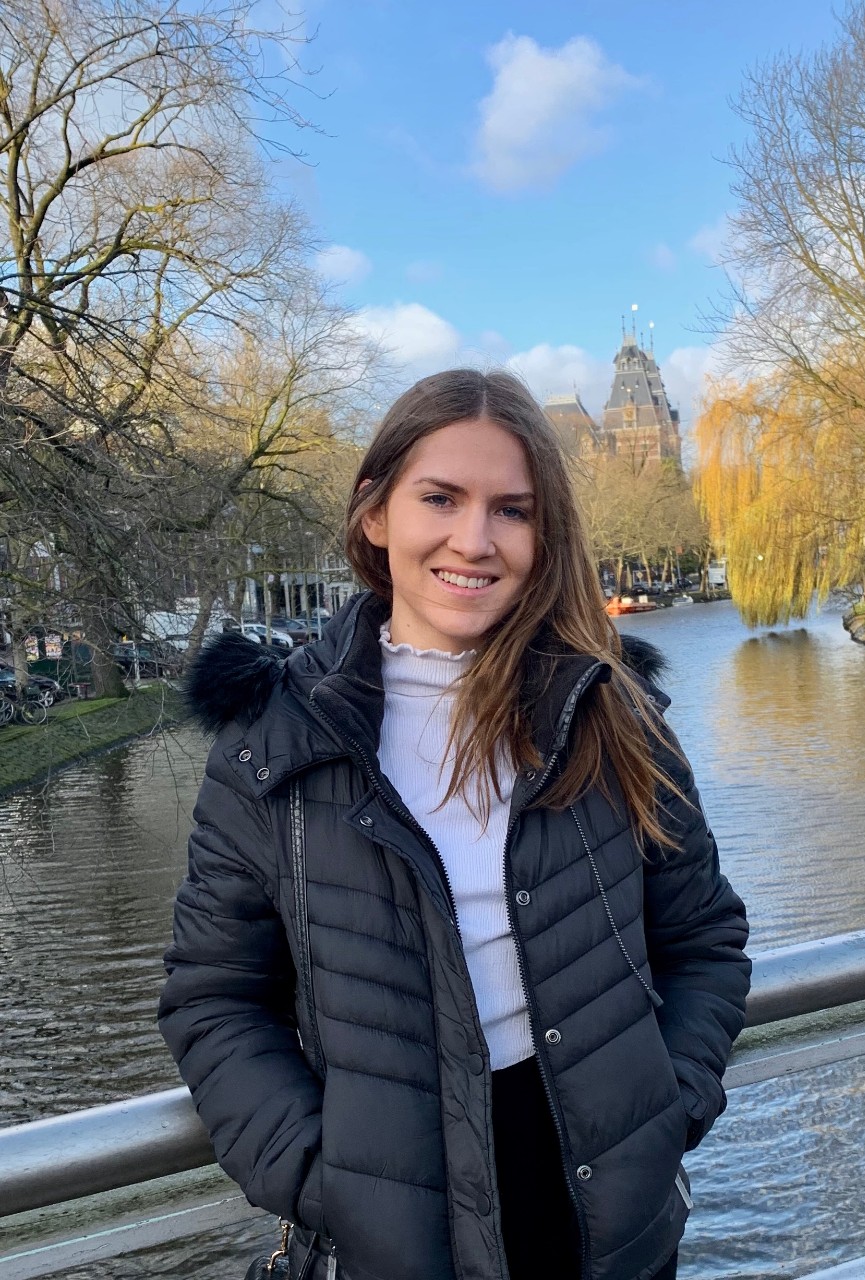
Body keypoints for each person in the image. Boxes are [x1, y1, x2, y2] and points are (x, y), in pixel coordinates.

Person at [159, 368, 750, 1280]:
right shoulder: (272, 738)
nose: (473, 540)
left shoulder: (610, 710)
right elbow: (214, 996)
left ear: (543, 532)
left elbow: (702, 935)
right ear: (374, 513)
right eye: (440, 498)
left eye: (511, 510)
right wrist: (324, 1180)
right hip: (390, 1232)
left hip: (611, 1225)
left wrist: (666, 1108)